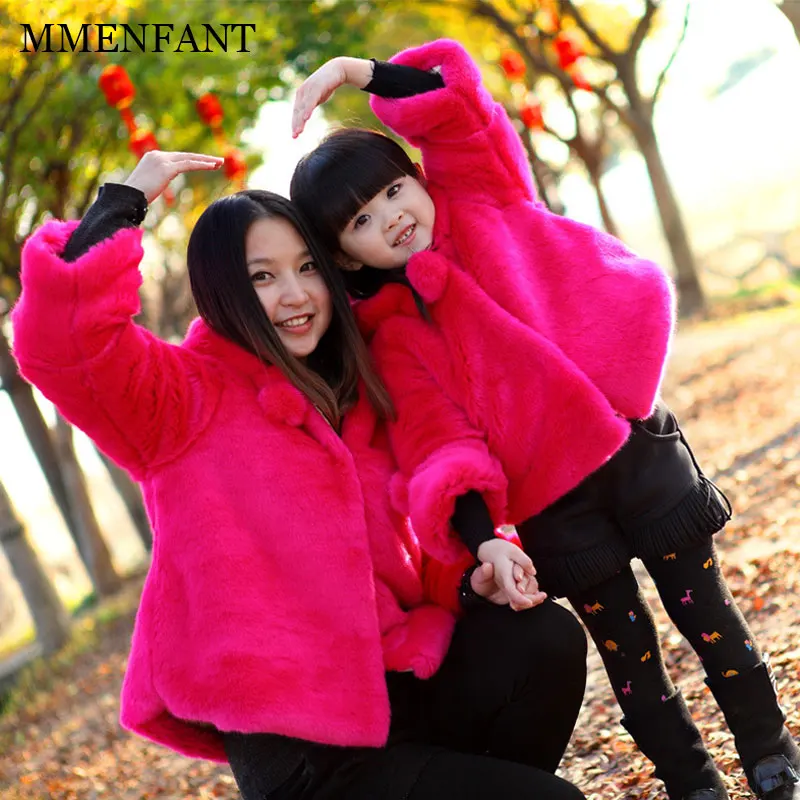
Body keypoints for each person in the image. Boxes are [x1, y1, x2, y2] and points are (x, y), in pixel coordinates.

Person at [288, 41, 800, 800]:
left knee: (708, 615)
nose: (391, 218)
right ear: (347, 258)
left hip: (631, 448)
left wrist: (357, 74)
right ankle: (691, 781)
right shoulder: (393, 335)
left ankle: (767, 748)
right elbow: (439, 443)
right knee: (630, 658)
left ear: (417, 177)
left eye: (395, 190)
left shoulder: (480, 192)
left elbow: (453, 103)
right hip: (553, 505)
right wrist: (484, 537)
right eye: (362, 220)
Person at [11, 150, 590, 800]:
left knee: (543, 639)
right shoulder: (178, 400)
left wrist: (468, 580)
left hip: (403, 693)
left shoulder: (353, 385)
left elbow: (392, 559)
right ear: (221, 290)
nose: (296, 295)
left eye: (307, 267)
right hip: (309, 759)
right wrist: (125, 201)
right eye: (263, 277)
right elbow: (62, 344)